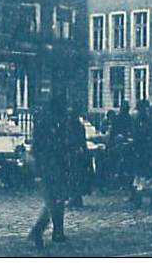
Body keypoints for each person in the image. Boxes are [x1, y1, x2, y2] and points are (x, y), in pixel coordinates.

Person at [28, 94, 77, 249]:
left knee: (53, 198)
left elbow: (36, 145)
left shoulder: (43, 122)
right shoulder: (60, 123)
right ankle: (43, 229)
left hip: (46, 164)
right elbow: (65, 144)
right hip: (57, 164)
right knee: (56, 199)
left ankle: (55, 230)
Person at [66, 108, 91, 208]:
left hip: (74, 153)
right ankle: (77, 197)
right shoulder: (79, 126)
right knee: (77, 175)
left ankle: (74, 197)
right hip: (78, 152)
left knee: (74, 175)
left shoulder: (72, 126)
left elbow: (72, 139)